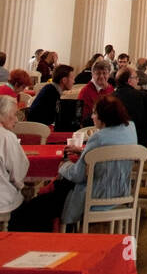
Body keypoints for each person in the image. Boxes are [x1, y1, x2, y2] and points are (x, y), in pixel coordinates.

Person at [10, 95, 137, 233]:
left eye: (95, 113)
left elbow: (77, 175)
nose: (92, 116)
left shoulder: (98, 138)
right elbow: (109, 155)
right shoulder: (130, 128)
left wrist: (63, 165)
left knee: (34, 208)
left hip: (94, 195)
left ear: (104, 117)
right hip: (120, 191)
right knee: (47, 201)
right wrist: (83, 151)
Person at [0, 95, 28, 221]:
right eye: (14, 114)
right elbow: (18, 175)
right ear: (3, 115)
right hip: (4, 204)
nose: (17, 120)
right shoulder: (6, 137)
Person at [27, 63, 74, 128]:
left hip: (37, 126)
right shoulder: (52, 92)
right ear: (64, 80)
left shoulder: (51, 88)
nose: (73, 81)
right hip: (37, 129)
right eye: (72, 78)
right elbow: (52, 118)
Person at [113, 66, 147, 146]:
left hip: (114, 145)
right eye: (136, 78)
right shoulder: (143, 96)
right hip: (139, 147)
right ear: (129, 81)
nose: (138, 80)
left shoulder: (110, 98)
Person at [78, 59, 114, 125]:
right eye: (98, 73)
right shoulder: (85, 92)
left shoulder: (110, 88)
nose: (101, 76)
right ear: (92, 74)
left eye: (104, 73)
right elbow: (84, 118)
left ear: (109, 74)